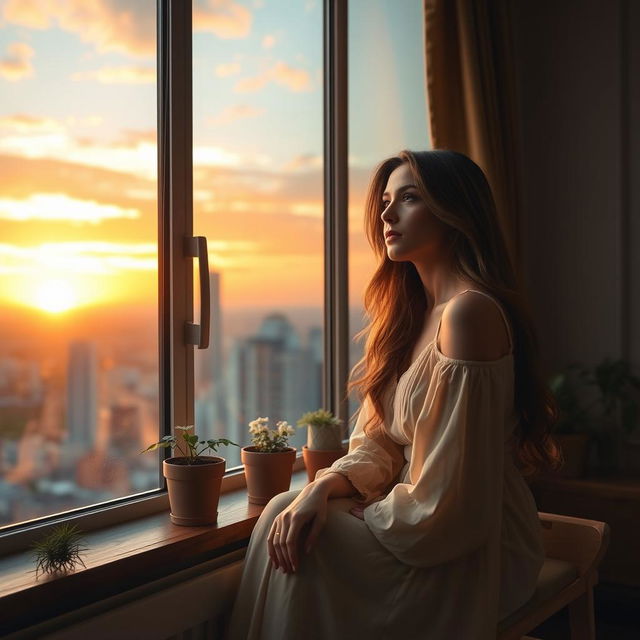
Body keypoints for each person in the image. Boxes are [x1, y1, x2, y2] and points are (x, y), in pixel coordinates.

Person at [224, 149, 561, 640]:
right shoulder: (413, 315)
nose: (385, 215)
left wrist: (375, 511)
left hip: (464, 543)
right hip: (413, 516)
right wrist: (321, 488)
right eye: (384, 200)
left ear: (454, 211)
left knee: (311, 542)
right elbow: (378, 442)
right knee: (285, 508)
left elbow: (454, 500)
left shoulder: (469, 316)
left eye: (409, 198)